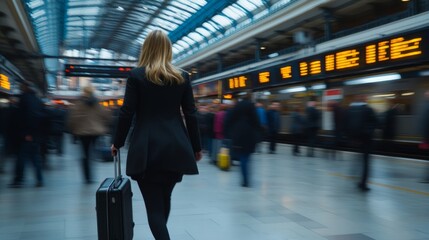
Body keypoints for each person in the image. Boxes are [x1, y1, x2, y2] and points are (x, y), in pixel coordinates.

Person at [111, 30, 202, 240]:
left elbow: (127, 112)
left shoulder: (136, 76)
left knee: (153, 207)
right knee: (164, 199)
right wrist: (196, 147)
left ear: (146, 49)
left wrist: (117, 142)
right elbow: (191, 114)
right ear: (168, 50)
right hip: (176, 148)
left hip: (147, 148)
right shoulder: (182, 77)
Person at [67, 85, 110, 183]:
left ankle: (87, 177)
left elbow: (73, 118)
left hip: (82, 132)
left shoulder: (79, 103)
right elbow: (105, 115)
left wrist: (72, 129)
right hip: (95, 132)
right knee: (92, 152)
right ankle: (91, 171)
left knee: (85, 154)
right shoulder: (97, 103)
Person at [9, 82, 44, 188]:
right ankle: (39, 179)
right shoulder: (37, 100)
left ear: (24, 88)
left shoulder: (25, 99)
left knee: (21, 157)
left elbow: (27, 117)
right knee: (35, 158)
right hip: (35, 134)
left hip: (27, 134)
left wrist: (28, 133)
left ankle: (18, 180)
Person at [225, 93, 261, 187]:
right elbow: (256, 122)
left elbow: (228, 120)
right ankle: (247, 179)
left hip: (238, 135)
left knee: (242, 158)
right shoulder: (251, 106)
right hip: (249, 135)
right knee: (247, 157)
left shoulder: (237, 107)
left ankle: (244, 180)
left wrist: (229, 133)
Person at [345, 94, 377, 191]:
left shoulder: (350, 110)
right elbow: (377, 122)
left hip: (355, 139)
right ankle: (363, 183)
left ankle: (356, 177)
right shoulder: (368, 110)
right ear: (365, 100)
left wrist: (350, 137)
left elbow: (345, 123)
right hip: (366, 139)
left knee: (358, 160)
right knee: (366, 162)